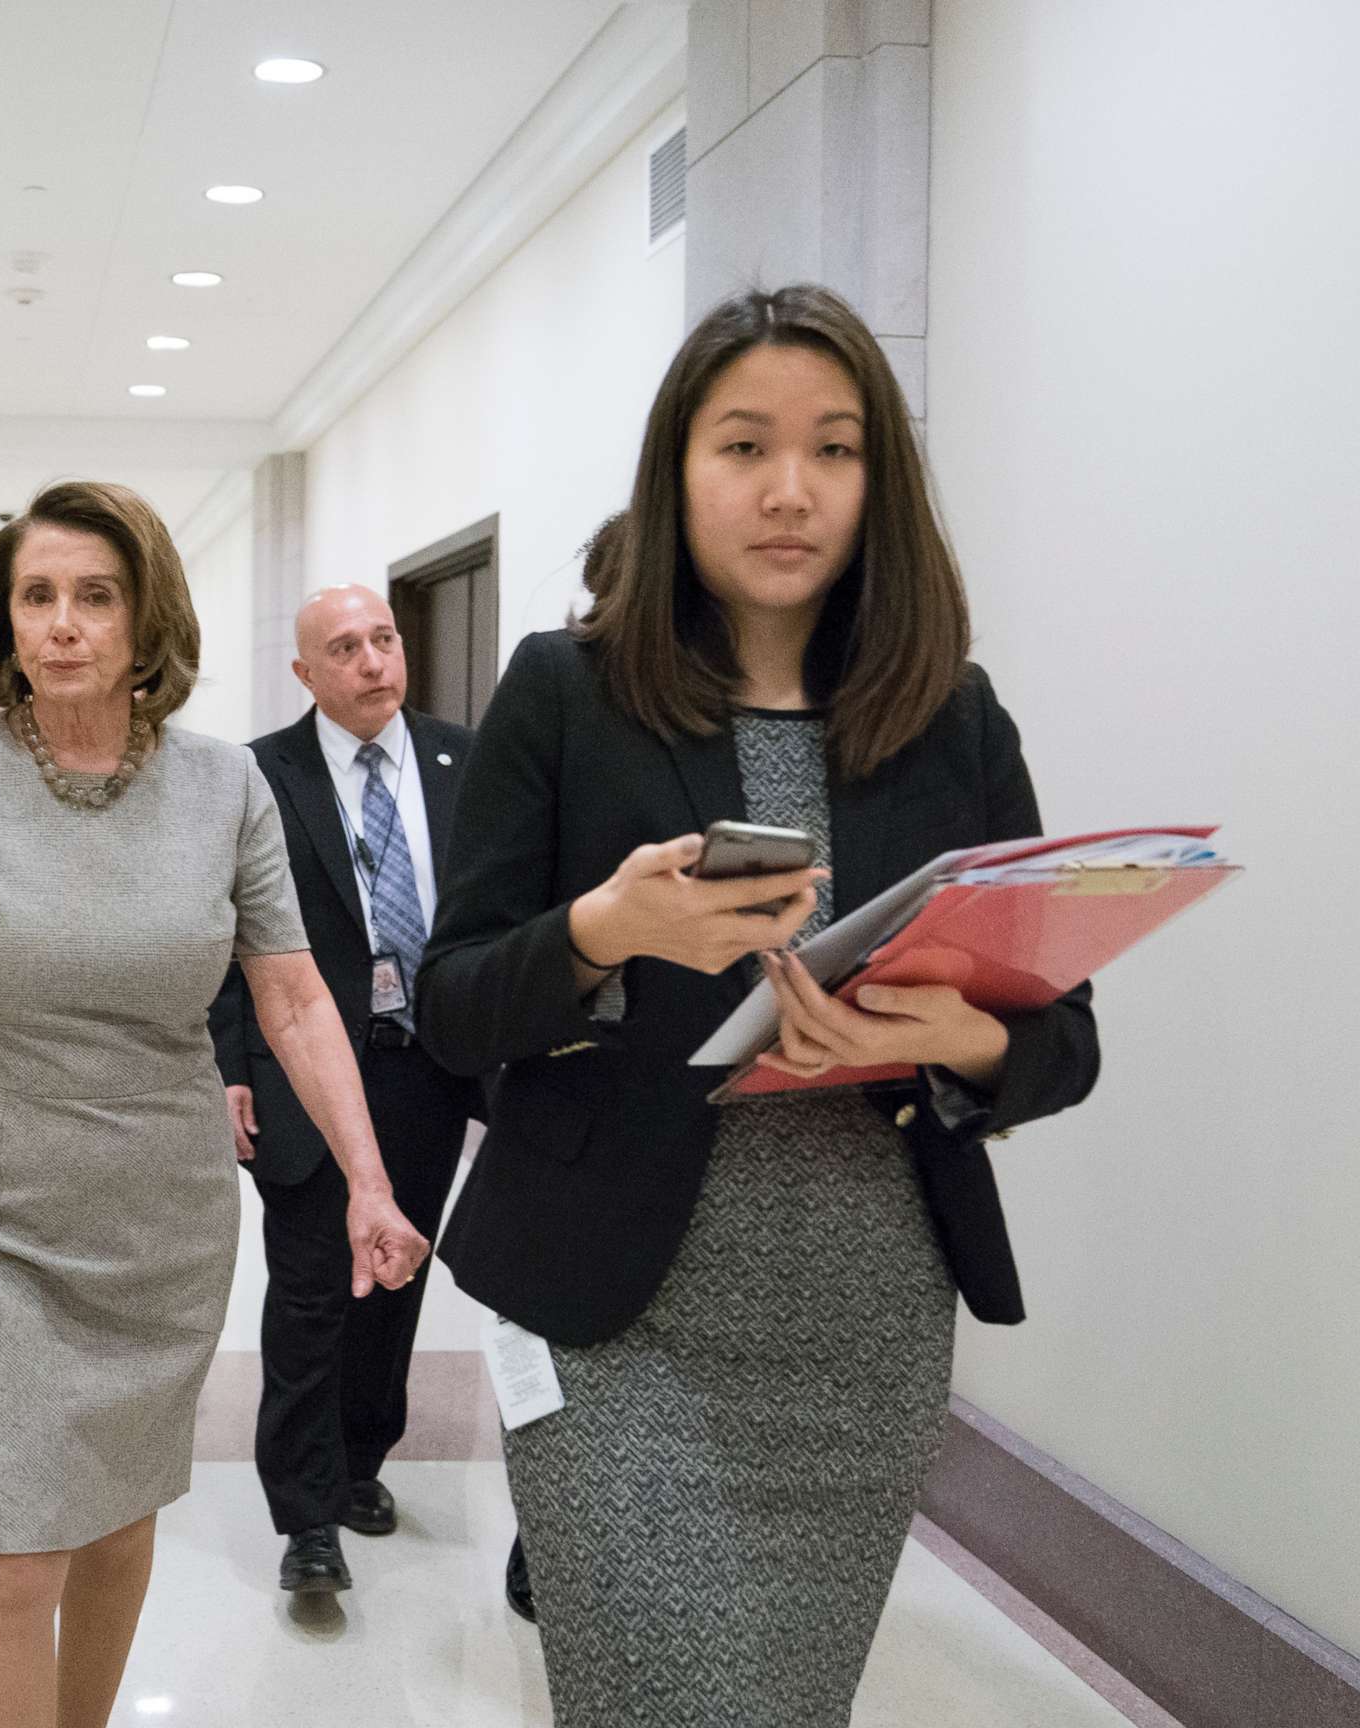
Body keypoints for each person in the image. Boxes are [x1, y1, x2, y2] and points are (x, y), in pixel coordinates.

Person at [416, 284, 1102, 1727]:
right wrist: (606, 929)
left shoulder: (952, 717)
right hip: (619, 1323)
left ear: (880, 483)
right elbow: (455, 1007)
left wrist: (953, 1037)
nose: (790, 491)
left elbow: (1061, 1041)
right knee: (664, 1701)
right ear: (679, 471)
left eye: (836, 450)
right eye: (743, 447)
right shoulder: (565, 694)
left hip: (866, 1325)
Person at [0, 481, 431, 1728]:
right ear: (4, 624)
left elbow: (294, 999)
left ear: (145, 616)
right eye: (37, 597)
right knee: (10, 1559)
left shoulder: (225, 787)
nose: (64, 624)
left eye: (95, 597)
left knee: (115, 1529)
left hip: (161, 1220)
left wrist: (369, 1182)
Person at [207, 585, 480, 1598]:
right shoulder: (260, 776)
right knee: (314, 1286)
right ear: (305, 674)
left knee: (393, 1278)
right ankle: (305, 1513)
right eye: (345, 648)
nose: (372, 662)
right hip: (303, 1069)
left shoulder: (464, 761)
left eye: (383, 640)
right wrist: (228, 1061)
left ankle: (363, 1457)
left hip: (428, 1069)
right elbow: (228, 931)